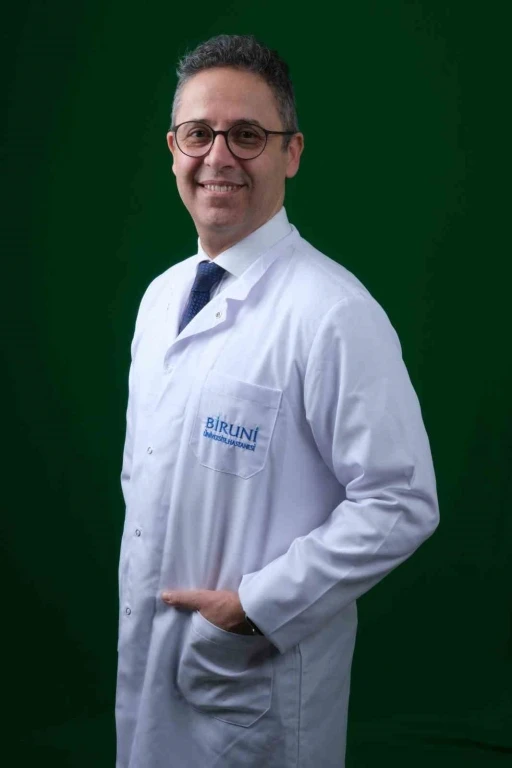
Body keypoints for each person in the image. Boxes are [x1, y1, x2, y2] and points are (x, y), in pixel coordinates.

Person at [116, 33, 439, 768]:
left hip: (249, 686)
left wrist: (255, 609)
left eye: (247, 135)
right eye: (199, 134)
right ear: (173, 149)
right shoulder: (161, 298)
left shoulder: (333, 312)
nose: (218, 156)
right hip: (153, 659)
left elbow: (401, 500)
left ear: (291, 152)